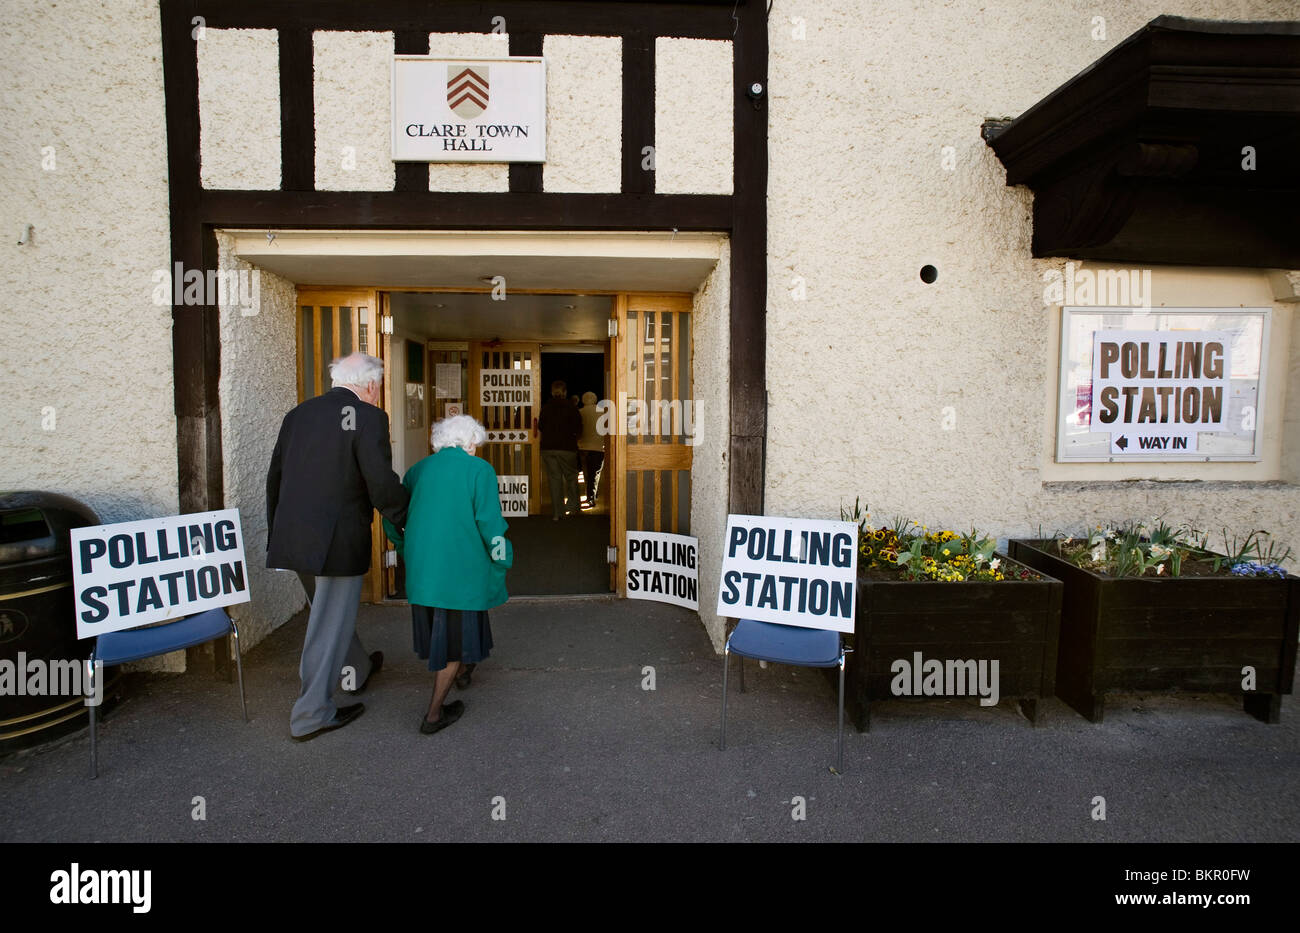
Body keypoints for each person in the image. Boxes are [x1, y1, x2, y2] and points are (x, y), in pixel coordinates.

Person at [267, 352, 409, 741]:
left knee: (328, 616)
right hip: (336, 542)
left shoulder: (298, 415)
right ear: (371, 384)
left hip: (295, 538)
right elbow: (380, 483)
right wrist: (407, 520)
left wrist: (276, 534)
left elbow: (275, 478)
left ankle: (357, 669)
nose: (379, 394)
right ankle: (310, 714)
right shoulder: (368, 417)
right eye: (379, 387)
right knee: (329, 624)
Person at [385, 415, 513, 733]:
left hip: (424, 569)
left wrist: (405, 549)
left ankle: (463, 669)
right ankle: (433, 714)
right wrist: (502, 557)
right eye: (476, 445)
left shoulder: (418, 470)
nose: (476, 450)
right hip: (461, 571)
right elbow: (489, 523)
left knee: (444, 629)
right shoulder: (479, 470)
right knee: (454, 641)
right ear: (470, 443)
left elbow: (391, 518)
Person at [535, 379, 582, 520]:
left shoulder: (546, 407)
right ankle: (573, 509)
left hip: (548, 448)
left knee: (554, 479)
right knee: (571, 478)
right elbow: (579, 428)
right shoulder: (571, 408)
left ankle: (557, 513)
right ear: (565, 392)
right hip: (567, 448)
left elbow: (541, 426)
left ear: (551, 392)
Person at [577, 390, 606, 508]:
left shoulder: (580, 412)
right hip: (598, 447)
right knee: (596, 473)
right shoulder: (602, 412)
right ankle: (592, 496)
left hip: (583, 447)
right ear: (595, 400)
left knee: (586, 472)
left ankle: (589, 494)